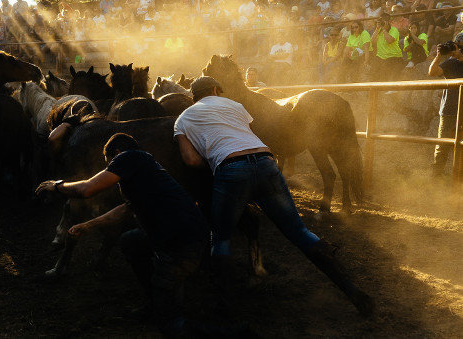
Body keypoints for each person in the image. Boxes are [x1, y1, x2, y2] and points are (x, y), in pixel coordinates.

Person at [174, 76, 374, 316]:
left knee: (220, 239)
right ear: (216, 90)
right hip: (266, 163)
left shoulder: (183, 119)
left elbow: (191, 160)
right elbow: (248, 136)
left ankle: (225, 306)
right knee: (299, 232)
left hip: (231, 170)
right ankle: (351, 288)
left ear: (192, 97)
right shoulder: (237, 106)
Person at [35, 133, 248, 336]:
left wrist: (57, 186)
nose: (109, 168)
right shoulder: (145, 172)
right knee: (131, 240)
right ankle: (155, 301)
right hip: (183, 235)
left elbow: (87, 189)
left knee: (171, 326)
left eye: (109, 162)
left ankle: (233, 333)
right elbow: (126, 209)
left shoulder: (130, 157)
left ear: (116, 153)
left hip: (181, 242)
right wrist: (88, 225)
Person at [428, 33, 463, 176]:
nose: (454, 48)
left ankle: (459, 180)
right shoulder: (449, 62)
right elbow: (432, 72)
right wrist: (438, 56)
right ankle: (437, 178)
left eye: (458, 45)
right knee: (442, 145)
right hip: (449, 110)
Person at [371, 13, 403, 81]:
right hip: (380, 57)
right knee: (373, 73)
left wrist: (384, 29)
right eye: (381, 21)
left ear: (389, 22)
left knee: (385, 73)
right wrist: (377, 29)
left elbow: (389, 41)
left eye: (384, 21)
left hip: (394, 57)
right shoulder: (378, 30)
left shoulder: (394, 30)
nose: (382, 23)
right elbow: (372, 41)